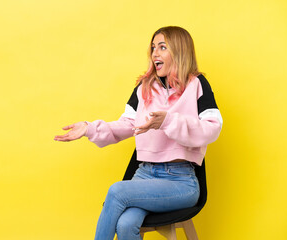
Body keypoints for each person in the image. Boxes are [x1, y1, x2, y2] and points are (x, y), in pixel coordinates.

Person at [54, 26, 223, 240]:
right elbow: (127, 124)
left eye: (163, 47)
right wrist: (89, 129)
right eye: (153, 48)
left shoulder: (197, 84)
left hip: (181, 181)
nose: (155, 53)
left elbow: (212, 128)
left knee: (116, 191)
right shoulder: (145, 87)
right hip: (144, 175)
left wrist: (168, 121)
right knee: (126, 224)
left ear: (180, 51)